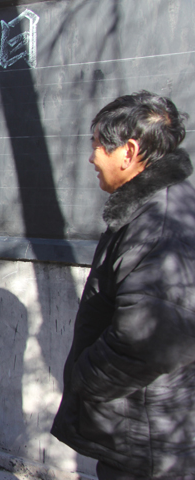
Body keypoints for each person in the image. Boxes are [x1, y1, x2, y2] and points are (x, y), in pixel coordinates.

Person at [51, 91, 195, 479]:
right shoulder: (157, 207)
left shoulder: (159, 225)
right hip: (147, 427)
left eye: (98, 146)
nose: (92, 158)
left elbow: (149, 339)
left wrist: (86, 380)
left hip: (147, 437)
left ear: (128, 152)